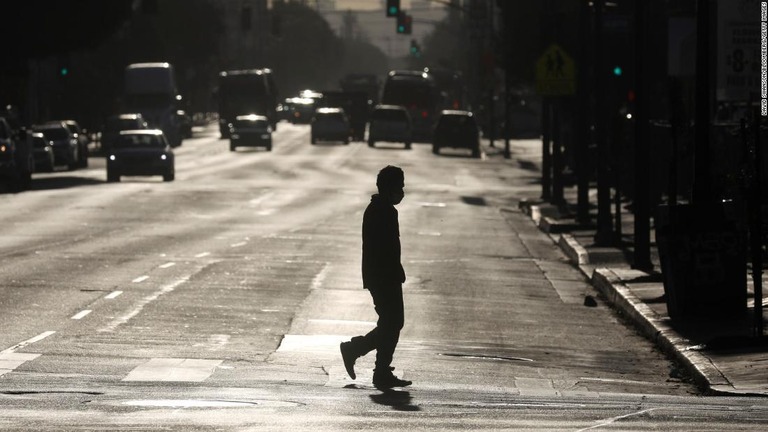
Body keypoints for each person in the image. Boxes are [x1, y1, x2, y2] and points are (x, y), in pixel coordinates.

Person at [340, 165, 412, 389]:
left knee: (391, 322)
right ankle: (362, 355)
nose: (402, 191)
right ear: (388, 187)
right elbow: (384, 248)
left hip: (383, 275)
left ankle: (378, 367)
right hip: (383, 276)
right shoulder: (383, 211)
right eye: (399, 186)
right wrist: (393, 272)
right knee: (393, 322)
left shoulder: (380, 209)